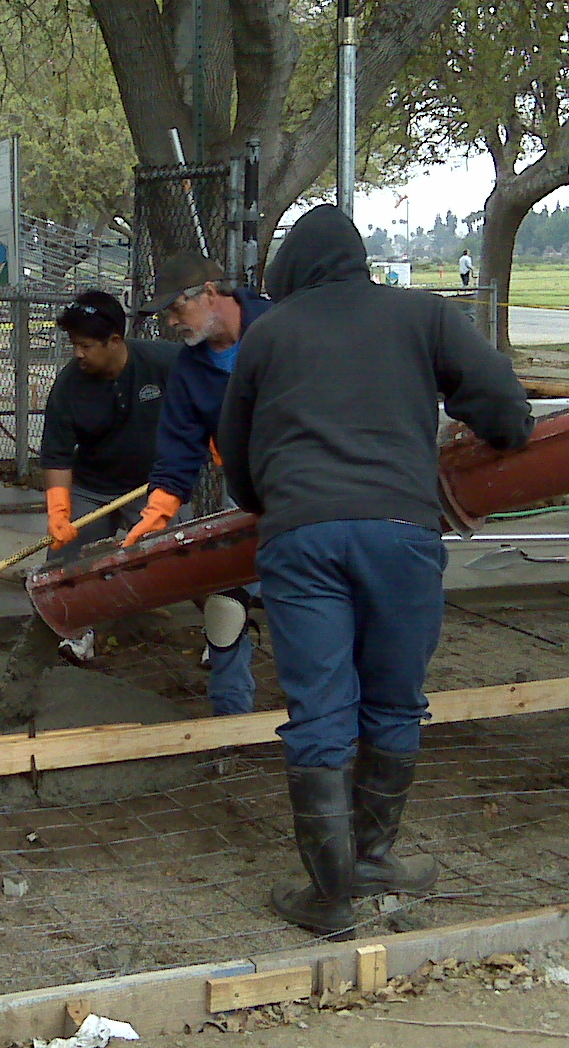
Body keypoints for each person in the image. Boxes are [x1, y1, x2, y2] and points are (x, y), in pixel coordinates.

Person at [216, 204, 532, 939]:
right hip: (401, 533)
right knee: (393, 700)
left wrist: (280, 502)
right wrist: (499, 431)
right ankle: (374, 858)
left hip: (302, 540)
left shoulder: (269, 334)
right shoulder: (425, 315)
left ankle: (330, 897)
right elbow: (504, 407)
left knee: (320, 710)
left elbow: (236, 453)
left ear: (292, 270)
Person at [120, 252, 273, 717]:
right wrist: (157, 514)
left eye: (175, 308)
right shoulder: (191, 369)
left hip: (314, 488)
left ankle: (339, 712)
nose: (170, 322)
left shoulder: (281, 327)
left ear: (209, 293)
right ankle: (231, 716)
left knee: (312, 597)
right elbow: (179, 449)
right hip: (249, 493)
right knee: (225, 604)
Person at [38, 291, 179, 664]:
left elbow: (208, 391)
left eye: (85, 345)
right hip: (92, 488)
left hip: (152, 487)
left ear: (114, 341)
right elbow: (56, 455)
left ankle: (222, 634)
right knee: (63, 567)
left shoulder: (163, 362)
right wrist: (59, 511)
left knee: (182, 555)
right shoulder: (69, 386)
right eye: (74, 345)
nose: (78, 354)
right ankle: (78, 637)